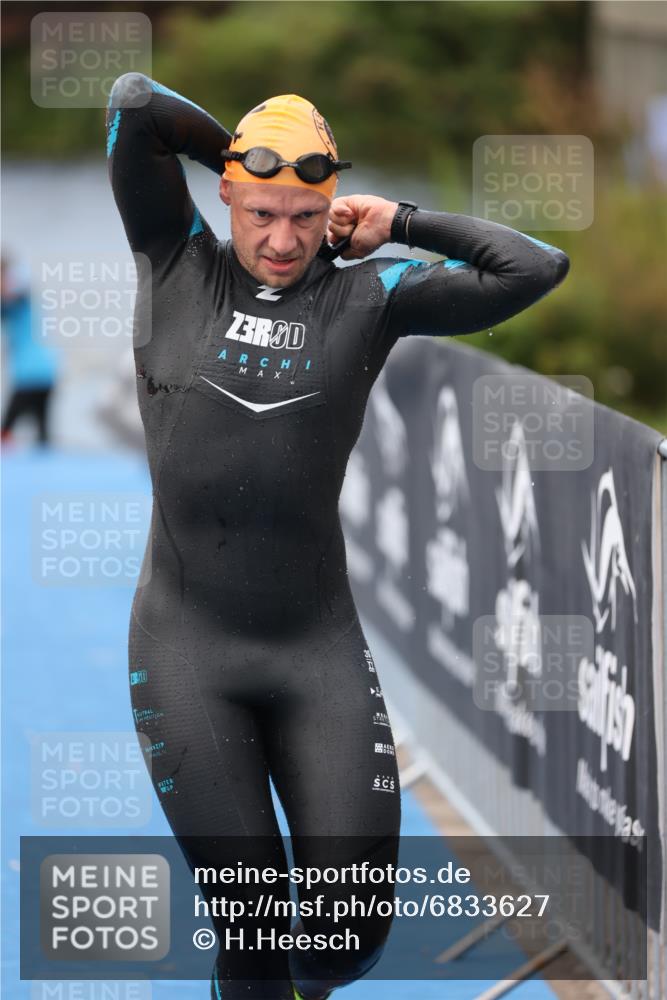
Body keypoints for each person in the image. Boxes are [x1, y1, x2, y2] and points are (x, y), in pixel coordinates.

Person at [106, 73, 569, 1000]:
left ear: (331, 212)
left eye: (305, 218)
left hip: (315, 649)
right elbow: (134, 100)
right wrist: (238, 163)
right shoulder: (173, 258)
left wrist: (396, 219)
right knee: (251, 921)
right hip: (188, 648)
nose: (281, 241)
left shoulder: (370, 297)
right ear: (227, 197)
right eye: (261, 213)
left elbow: (533, 268)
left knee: (343, 942)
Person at [1, 255, 58, 446]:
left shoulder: (20, 294)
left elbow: (18, 289)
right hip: (44, 371)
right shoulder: (9, 306)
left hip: (31, 374)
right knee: (42, 434)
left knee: (7, 430)